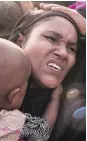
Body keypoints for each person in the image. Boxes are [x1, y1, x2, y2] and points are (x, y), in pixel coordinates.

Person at [9, 5, 86, 141]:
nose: (63, 53)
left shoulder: (75, 113)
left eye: (71, 49)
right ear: (20, 41)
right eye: (51, 38)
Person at [0, 38, 62, 141]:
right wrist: (55, 99)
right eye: (27, 81)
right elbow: (43, 130)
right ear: (13, 96)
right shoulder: (13, 122)